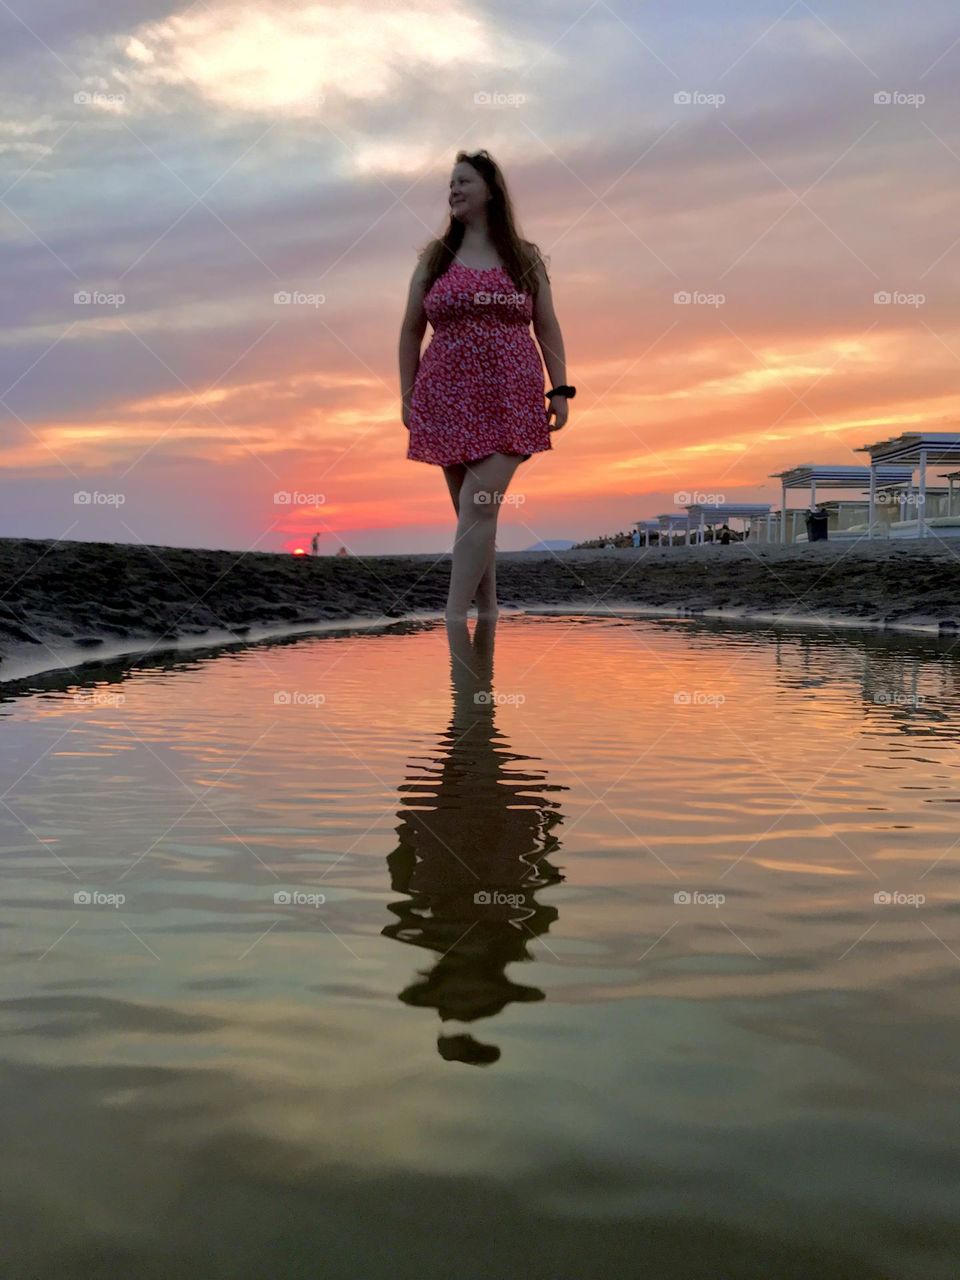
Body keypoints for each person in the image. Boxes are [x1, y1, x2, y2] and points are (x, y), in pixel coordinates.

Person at [399, 148, 573, 622]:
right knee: (475, 516)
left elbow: (547, 325)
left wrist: (560, 390)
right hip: (445, 396)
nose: (453, 190)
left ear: (490, 191)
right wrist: (408, 395)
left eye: (464, 182)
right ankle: (488, 616)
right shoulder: (436, 258)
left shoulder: (523, 257)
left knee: (479, 505)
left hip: (511, 396)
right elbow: (411, 331)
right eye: (451, 184)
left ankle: (454, 619)